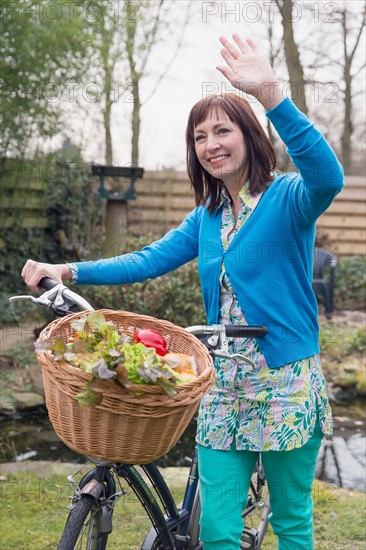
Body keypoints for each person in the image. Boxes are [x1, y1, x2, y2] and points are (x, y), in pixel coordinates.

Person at [22, 35, 344, 550]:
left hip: (285, 382)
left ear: (250, 136)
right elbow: (146, 259)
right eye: (200, 136)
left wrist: (271, 95)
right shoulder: (208, 216)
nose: (211, 143)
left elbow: (328, 176)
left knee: (291, 521)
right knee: (216, 528)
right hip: (222, 383)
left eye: (223, 130)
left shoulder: (289, 197)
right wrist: (70, 270)